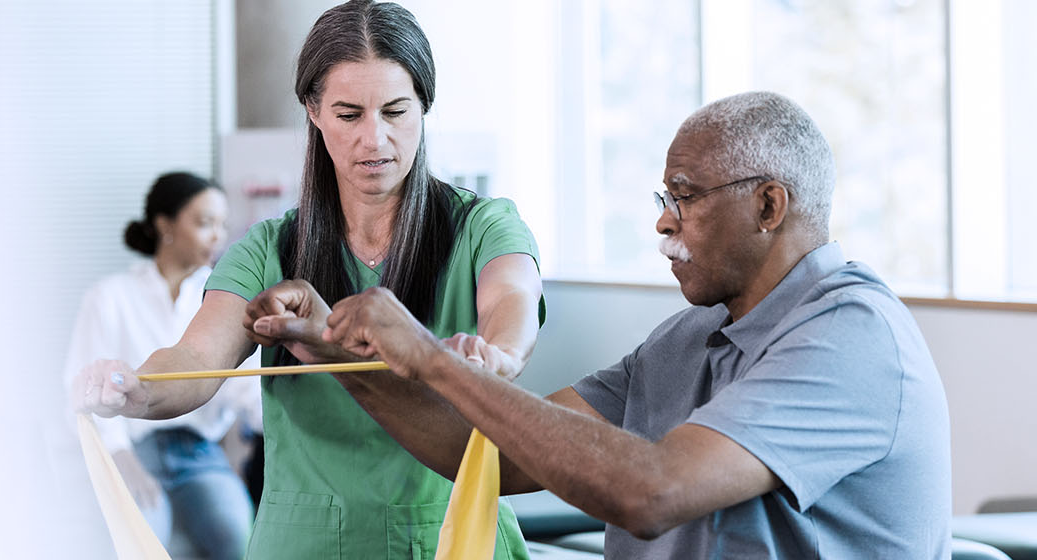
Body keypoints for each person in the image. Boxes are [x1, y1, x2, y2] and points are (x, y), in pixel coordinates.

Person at [310, 91, 953, 558]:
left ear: (767, 205)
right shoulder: (687, 337)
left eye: (685, 197)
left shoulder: (852, 334)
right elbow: (487, 453)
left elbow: (653, 492)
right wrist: (327, 351)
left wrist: (432, 359)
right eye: (663, 200)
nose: (664, 222)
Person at [72, 1, 544, 558]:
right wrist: (132, 390)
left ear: (424, 105)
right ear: (314, 110)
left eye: (395, 111)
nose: (374, 139)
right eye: (349, 115)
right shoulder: (267, 249)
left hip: (453, 535)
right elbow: (195, 360)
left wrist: (501, 353)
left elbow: (511, 294)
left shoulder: (484, 226)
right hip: (304, 543)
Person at [62, 172, 260, 560]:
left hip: (201, 454)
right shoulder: (109, 297)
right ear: (165, 225)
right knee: (142, 541)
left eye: (222, 225)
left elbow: (244, 390)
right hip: (135, 449)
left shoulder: (225, 300)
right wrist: (121, 458)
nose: (218, 237)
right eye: (205, 224)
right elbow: (79, 386)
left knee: (238, 534)